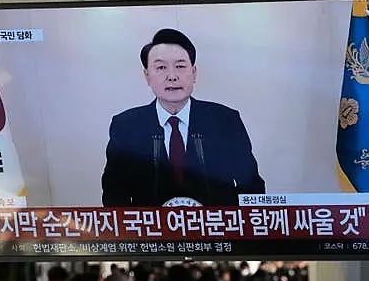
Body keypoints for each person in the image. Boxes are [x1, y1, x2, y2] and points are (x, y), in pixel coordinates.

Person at [102, 28, 265, 207]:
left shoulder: (225, 121)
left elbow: (251, 188)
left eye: (180, 66)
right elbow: (114, 196)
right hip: (152, 233)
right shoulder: (126, 127)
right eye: (161, 67)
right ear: (147, 76)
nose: (172, 77)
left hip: (216, 232)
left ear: (194, 73)